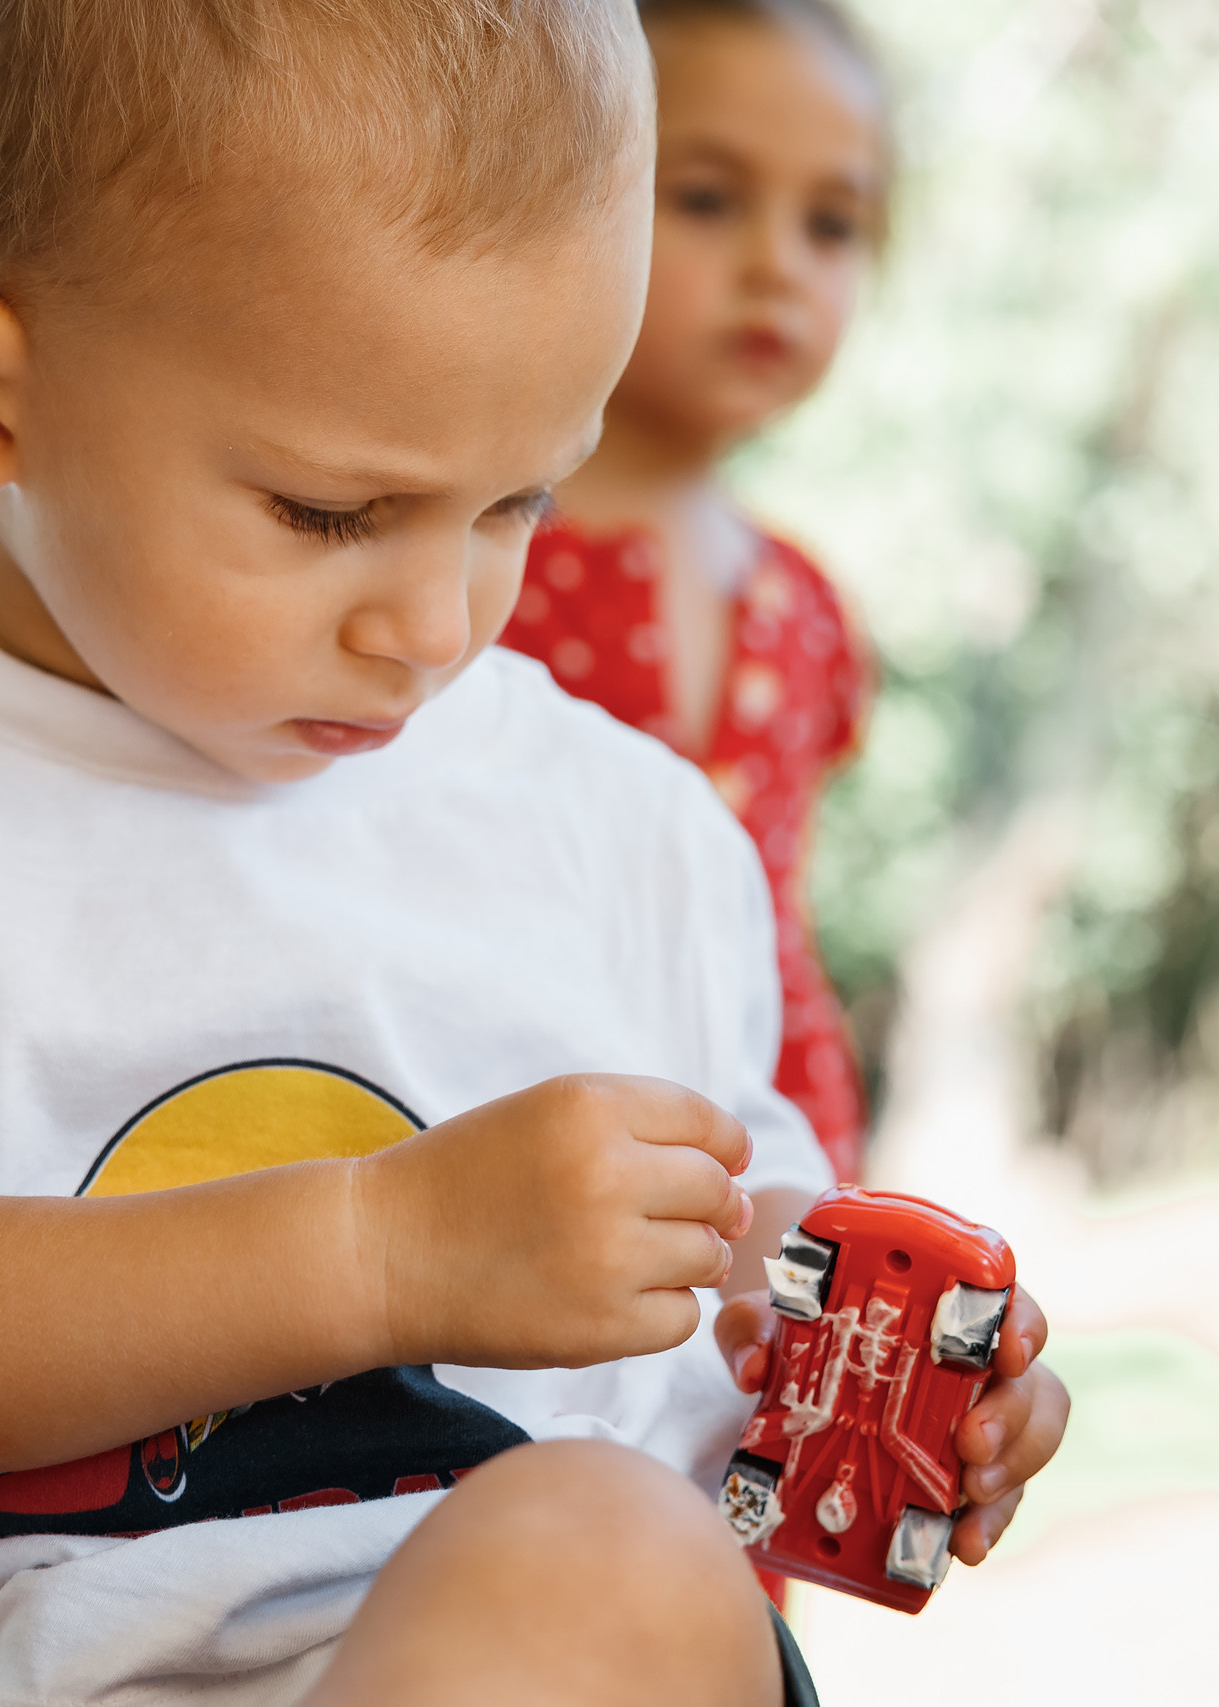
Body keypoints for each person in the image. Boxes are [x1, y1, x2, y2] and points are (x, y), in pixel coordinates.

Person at [0, 3, 1070, 1705]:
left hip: (568, 1647)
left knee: (612, 1547)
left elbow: (739, 1262)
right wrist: (382, 1249)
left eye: (520, 502)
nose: (436, 624)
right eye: (331, 511)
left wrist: (885, 1365)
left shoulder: (628, 823)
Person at [499, 0, 883, 1182]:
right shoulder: (471, 550)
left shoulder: (805, 604)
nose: (778, 265)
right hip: (509, 1119)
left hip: (769, 1135)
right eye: (709, 199)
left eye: (831, 223)